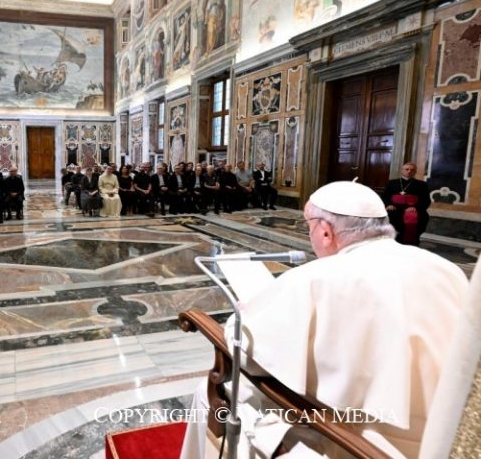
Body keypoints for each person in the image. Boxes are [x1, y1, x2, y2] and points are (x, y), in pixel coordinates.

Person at [180, 181, 469, 458]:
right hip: (446, 436)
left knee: (209, 395)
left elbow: (246, 353)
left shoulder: (315, 279)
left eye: (309, 226)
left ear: (326, 231)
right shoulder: (445, 269)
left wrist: (247, 314)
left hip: (355, 443)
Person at [382, 162, 431, 246]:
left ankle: (410, 243)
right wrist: (388, 204)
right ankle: (391, 240)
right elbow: (385, 196)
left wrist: (415, 207)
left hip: (412, 208)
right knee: (388, 216)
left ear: (415, 172)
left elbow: (426, 200)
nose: (409, 171)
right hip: (394, 208)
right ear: (402, 170)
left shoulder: (422, 184)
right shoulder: (392, 183)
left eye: (412, 170)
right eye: (407, 169)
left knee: (420, 217)